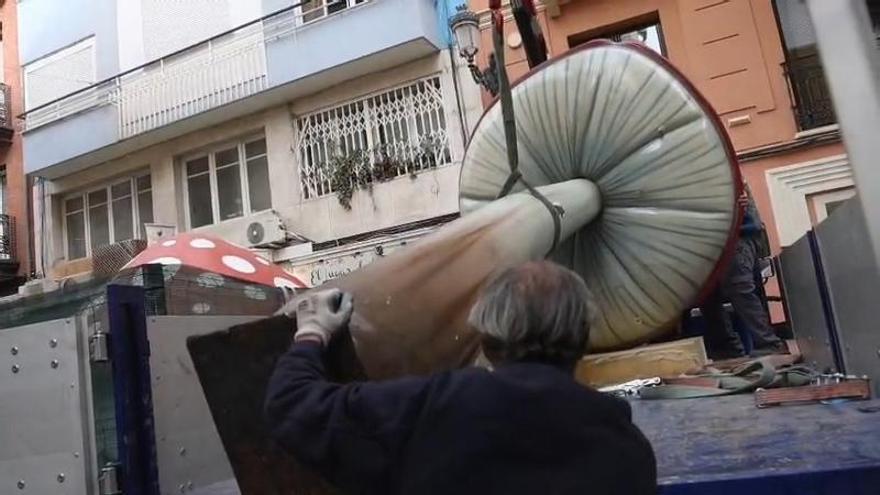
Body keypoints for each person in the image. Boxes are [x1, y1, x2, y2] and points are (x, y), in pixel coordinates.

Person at [264, 261, 657, 495]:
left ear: (487, 337)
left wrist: (312, 333)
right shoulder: (628, 449)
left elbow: (294, 408)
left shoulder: (437, 409)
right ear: (582, 338)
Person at [701, 184, 785, 359]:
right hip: (711, 236)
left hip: (739, 232)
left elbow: (740, 187)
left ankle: (767, 343)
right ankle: (726, 347)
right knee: (706, 291)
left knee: (739, 286)